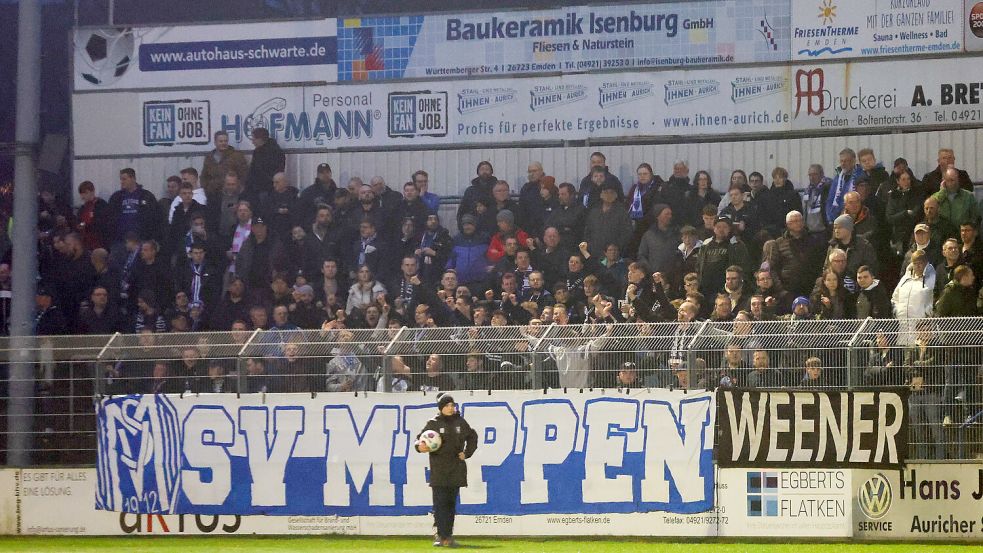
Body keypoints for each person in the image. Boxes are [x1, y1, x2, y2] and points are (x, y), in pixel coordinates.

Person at [415, 393, 478, 548]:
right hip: (439, 470)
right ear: (441, 408)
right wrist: (420, 447)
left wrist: (467, 453)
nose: (450, 408)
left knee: (450, 505)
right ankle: (440, 535)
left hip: (456, 469)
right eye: (447, 406)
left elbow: (472, 436)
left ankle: (448, 536)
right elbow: (419, 440)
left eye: (452, 405)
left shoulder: (460, 422)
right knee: (440, 504)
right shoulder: (433, 423)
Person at [200, 130, 249, 196]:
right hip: (213, 194)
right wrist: (206, 188)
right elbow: (204, 176)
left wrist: (238, 188)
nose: (223, 143)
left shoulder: (237, 156)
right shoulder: (209, 157)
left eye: (225, 141)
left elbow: (244, 175)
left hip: (232, 193)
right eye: (221, 141)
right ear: (215, 142)